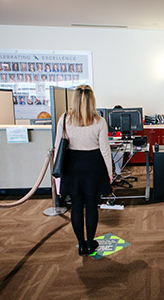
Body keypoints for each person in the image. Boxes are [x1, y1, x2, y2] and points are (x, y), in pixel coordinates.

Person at [54, 85, 113, 256]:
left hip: (72, 166)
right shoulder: (100, 121)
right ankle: (90, 243)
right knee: (92, 206)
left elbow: (58, 147)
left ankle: (81, 245)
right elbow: (105, 150)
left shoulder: (64, 119)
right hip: (94, 165)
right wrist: (109, 172)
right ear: (92, 101)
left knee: (77, 206)